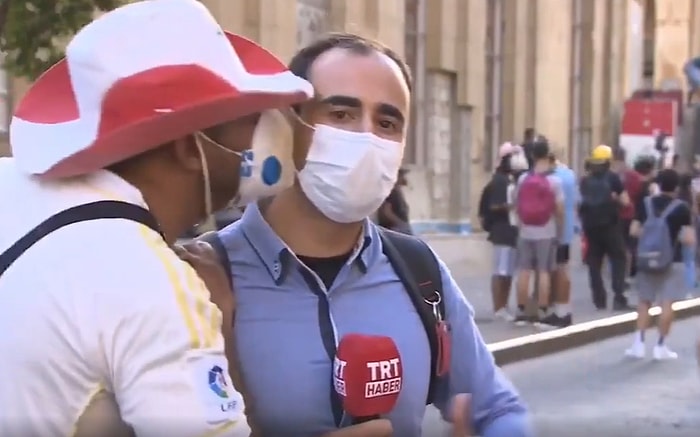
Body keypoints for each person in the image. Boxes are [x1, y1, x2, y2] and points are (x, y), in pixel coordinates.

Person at [0, 1, 315, 435]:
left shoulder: (7, 183)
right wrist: (215, 318)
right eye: (251, 116)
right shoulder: (154, 286)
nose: (276, 129)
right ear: (189, 147)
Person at [215, 33, 531, 436]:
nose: (366, 139)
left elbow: (496, 407)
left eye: (387, 123)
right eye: (341, 115)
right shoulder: (203, 277)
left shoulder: (419, 271)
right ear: (286, 124)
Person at [625, 169, 694, 360]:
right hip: (673, 260)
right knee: (667, 303)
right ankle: (660, 346)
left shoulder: (646, 203)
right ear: (676, 187)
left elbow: (634, 230)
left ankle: (638, 344)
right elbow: (688, 238)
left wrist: (649, 238)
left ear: (659, 184)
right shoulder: (682, 208)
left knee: (644, 301)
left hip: (647, 259)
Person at [513, 139, 564, 328]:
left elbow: (517, 205)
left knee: (524, 271)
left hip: (526, 231)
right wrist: (559, 230)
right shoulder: (554, 181)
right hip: (546, 230)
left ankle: (522, 311)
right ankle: (542, 310)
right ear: (547, 155)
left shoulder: (523, 179)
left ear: (532, 156)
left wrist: (520, 225)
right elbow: (559, 209)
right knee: (544, 271)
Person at [579, 145, 631, 311]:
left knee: (594, 262)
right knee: (618, 258)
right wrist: (615, 200)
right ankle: (618, 295)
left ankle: (599, 299)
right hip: (610, 225)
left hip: (590, 227)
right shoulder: (613, 178)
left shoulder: (584, 180)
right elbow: (626, 202)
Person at [486, 142, 520, 321]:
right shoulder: (500, 181)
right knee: (501, 271)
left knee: (507, 272)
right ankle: (498, 306)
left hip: (511, 231)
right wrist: (512, 206)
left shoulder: (509, 180)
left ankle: (504, 305)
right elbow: (494, 205)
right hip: (502, 231)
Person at [549, 153, 578, 327]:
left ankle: (558, 309)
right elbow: (576, 202)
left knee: (555, 269)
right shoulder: (569, 175)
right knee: (563, 267)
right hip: (567, 229)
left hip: (552, 230)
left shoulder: (551, 178)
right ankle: (564, 307)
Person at [377, 168, 412, 234]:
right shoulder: (391, 192)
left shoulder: (397, 191)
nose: (404, 178)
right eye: (401, 175)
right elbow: (387, 211)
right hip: (395, 229)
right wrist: (400, 224)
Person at [678, 172, 697, 289]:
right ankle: (690, 282)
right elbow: (694, 212)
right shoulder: (690, 197)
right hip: (688, 229)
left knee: (680, 257)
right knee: (689, 258)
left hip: (677, 230)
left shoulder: (677, 196)